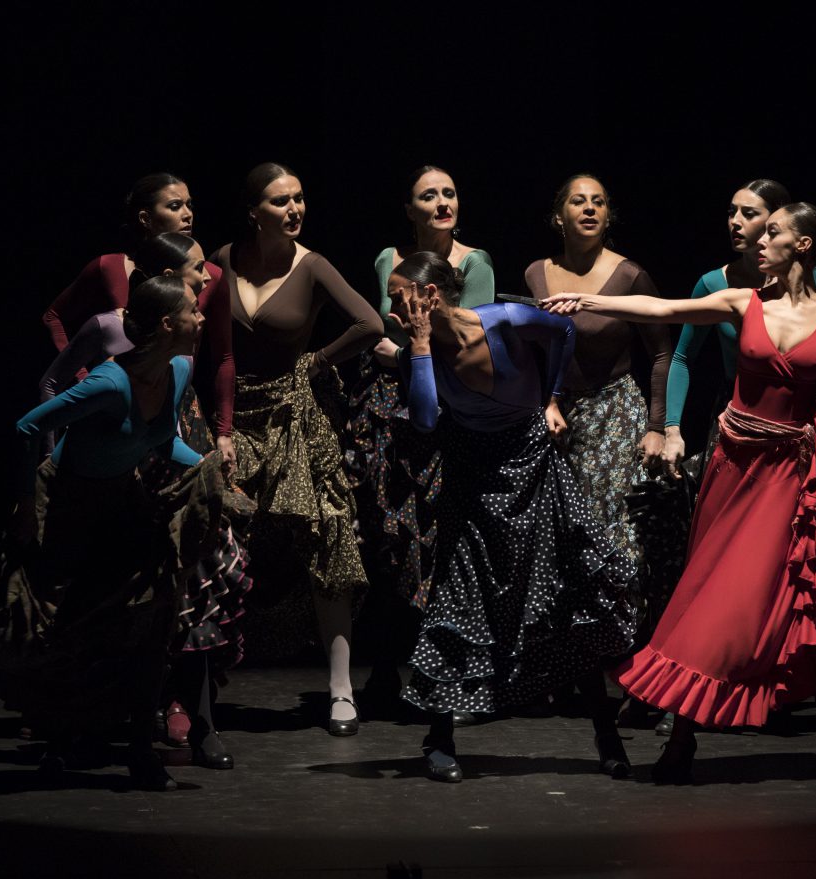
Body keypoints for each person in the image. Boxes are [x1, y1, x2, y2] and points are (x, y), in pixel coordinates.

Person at [543, 202, 816, 783]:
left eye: (771, 234)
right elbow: (664, 309)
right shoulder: (744, 301)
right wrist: (591, 301)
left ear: (803, 246)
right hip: (740, 473)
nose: (757, 242)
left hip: (803, 477)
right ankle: (682, 739)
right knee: (716, 599)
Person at [0, 276, 224, 794]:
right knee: (17, 627)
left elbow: (162, 441)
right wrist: (22, 509)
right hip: (65, 508)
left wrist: (213, 472)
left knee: (150, 625)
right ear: (169, 324)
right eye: (194, 311)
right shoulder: (109, 383)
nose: (201, 319)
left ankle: (140, 758)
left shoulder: (177, 370)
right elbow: (26, 428)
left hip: (121, 508)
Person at [387, 252, 637, 783]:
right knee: (459, 597)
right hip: (471, 475)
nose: (391, 307)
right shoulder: (419, 352)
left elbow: (564, 333)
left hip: (532, 465)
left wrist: (551, 398)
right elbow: (427, 419)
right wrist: (420, 346)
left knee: (570, 599)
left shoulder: (506, 321)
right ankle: (439, 736)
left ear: (430, 296)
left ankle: (606, 734)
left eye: (398, 295)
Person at [42, 231, 249, 768]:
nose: (208, 278)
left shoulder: (187, 326)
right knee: (126, 593)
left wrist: (215, 449)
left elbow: (215, 360)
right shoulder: (116, 327)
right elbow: (52, 386)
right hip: (126, 463)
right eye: (197, 269)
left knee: (198, 580)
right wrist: (62, 451)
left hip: (179, 437)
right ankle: (106, 718)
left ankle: (200, 719)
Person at [210, 162, 382, 735]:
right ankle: (197, 683)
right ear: (254, 211)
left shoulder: (312, 265)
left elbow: (369, 321)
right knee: (218, 539)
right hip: (232, 416)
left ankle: (340, 688)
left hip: (293, 414)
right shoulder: (223, 258)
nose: (295, 210)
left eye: (300, 199)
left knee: (327, 533)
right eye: (282, 201)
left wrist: (319, 361)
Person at [348, 166, 495, 710]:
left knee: (437, 541)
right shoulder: (389, 260)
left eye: (449, 193)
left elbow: (465, 337)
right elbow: (387, 328)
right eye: (428, 195)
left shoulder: (474, 262)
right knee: (385, 539)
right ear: (408, 209)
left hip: (443, 403)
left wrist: (409, 353)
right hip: (389, 407)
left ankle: (442, 672)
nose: (441, 203)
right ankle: (385, 668)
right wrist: (400, 353)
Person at [524, 174, 670, 585]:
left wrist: (657, 427)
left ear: (608, 217)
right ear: (558, 217)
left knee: (612, 531)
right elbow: (532, 352)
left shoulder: (629, 275)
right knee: (557, 532)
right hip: (557, 416)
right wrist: (546, 403)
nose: (590, 208)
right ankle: (573, 638)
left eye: (599, 202)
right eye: (578, 201)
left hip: (615, 413)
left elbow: (662, 352)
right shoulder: (537, 274)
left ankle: (624, 632)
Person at [39, 172, 235, 469]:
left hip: (174, 409)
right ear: (145, 218)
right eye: (174, 206)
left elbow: (223, 356)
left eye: (189, 205)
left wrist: (224, 432)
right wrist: (82, 375)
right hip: (116, 405)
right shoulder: (110, 267)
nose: (187, 215)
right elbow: (54, 317)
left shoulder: (208, 275)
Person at [663, 178, 816, 475]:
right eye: (731, 212)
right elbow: (682, 357)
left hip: (798, 414)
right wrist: (672, 428)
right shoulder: (715, 284)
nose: (735, 222)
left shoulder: (815, 279)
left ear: (777, 219)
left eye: (749, 214)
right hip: (737, 414)